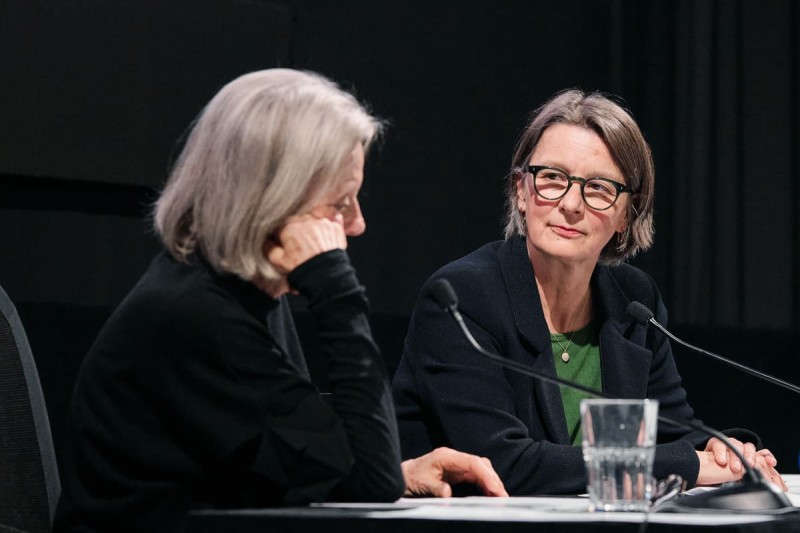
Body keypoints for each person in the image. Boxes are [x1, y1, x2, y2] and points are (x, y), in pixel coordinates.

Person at [54, 69, 506, 532]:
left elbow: (304, 462)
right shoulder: (193, 316)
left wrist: (403, 473)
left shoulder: (244, 296)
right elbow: (371, 477)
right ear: (271, 202)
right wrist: (335, 288)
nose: (356, 224)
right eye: (339, 203)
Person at [392, 89, 787, 496]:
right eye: (552, 179)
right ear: (520, 192)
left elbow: (674, 434)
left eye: (598, 187)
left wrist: (725, 452)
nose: (571, 203)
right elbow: (502, 464)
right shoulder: (463, 298)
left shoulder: (633, 302)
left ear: (627, 215)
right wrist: (692, 462)